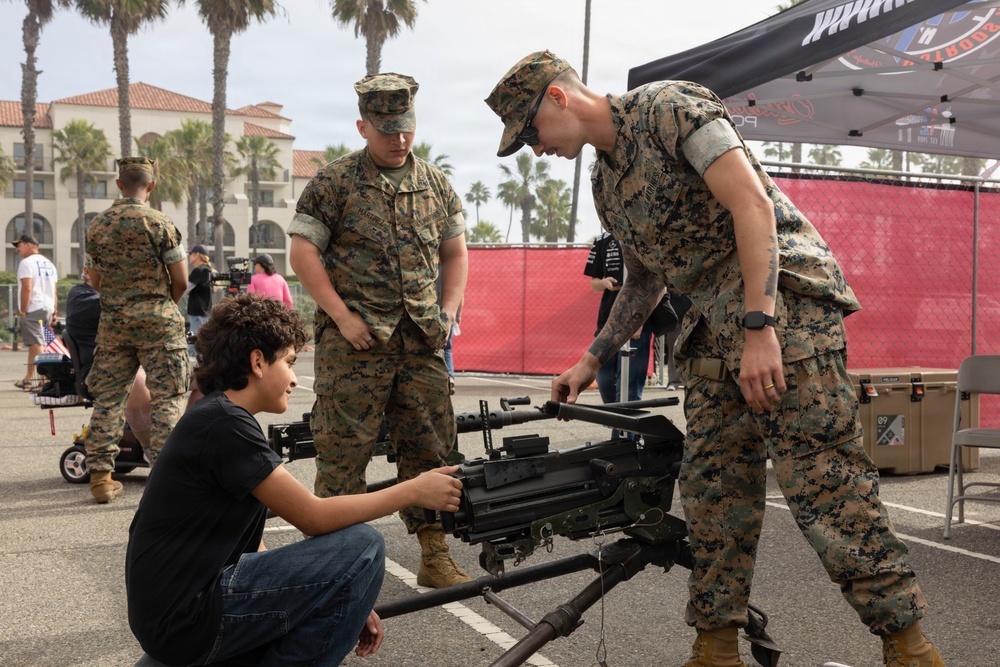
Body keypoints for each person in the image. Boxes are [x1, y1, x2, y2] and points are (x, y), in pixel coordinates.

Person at [487, 51, 944, 667]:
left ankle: (907, 645)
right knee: (712, 494)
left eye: (530, 133)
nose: (534, 150)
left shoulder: (672, 108)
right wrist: (592, 358)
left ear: (557, 98)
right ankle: (716, 646)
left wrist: (761, 329)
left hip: (783, 313)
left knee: (825, 486)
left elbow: (751, 205)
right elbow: (645, 278)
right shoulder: (604, 181)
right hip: (707, 331)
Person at [126, 293, 464, 667]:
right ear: (257, 362)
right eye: (289, 362)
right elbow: (313, 516)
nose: (293, 378)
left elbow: (248, 541)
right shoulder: (225, 425)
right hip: (185, 619)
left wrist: (339, 591)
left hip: (172, 616)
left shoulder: (216, 416)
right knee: (364, 545)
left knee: (349, 564)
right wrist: (415, 489)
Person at [289, 72, 470, 589]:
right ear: (362, 126)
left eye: (406, 128)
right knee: (343, 453)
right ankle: (329, 571)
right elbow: (303, 254)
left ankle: (434, 555)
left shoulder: (435, 183)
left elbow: (454, 251)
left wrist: (450, 310)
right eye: (387, 129)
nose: (399, 139)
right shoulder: (334, 182)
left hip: (421, 342)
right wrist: (342, 316)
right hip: (355, 346)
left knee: (432, 448)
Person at [84, 156, 190, 504]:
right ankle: (164, 479)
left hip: (114, 323)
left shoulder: (97, 226)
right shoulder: (160, 223)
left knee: (109, 399)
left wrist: (121, 301)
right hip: (158, 320)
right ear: (152, 185)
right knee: (166, 399)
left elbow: (94, 279)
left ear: (119, 184)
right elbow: (182, 280)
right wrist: (161, 303)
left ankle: (100, 477)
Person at [65, 267, 153, 451]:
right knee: (136, 380)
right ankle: (151, 449)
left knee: (200, 380)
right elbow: (116, 308)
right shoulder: (80, 297)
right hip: (97, 370)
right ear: (87, 272)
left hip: (135, 362)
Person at [584, 231, 654, 410]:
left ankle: (626, 435)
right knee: (605, 379)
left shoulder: (644, 234)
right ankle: (618, 423)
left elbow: (657, 284)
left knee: (630, 390)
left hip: (638, 319)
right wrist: (605, 283)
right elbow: (594, 283)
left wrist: (640, 321)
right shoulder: (602, 239)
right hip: (608, 321)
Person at [13, 233, 58, 390]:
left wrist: (23, 310)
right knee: (35, 344)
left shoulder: (27, 263)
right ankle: (28, 379)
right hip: (47, 306)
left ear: (27, 244)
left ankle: (44, 380)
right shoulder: (49, 263)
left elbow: (27, 287)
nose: (17, 249)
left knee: (38, 344)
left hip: (34, 308)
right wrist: (54, 310)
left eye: (19, 246)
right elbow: (54, 289)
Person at [186, 243, 213, 357]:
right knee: (201, 340)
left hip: (197, 312)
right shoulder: (208, 269)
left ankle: (193, 369)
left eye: (191, 254)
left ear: (197, 255)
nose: (189, 256)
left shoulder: (198, 271)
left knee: (194, 342)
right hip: (205, 310)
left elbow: (185, 288)